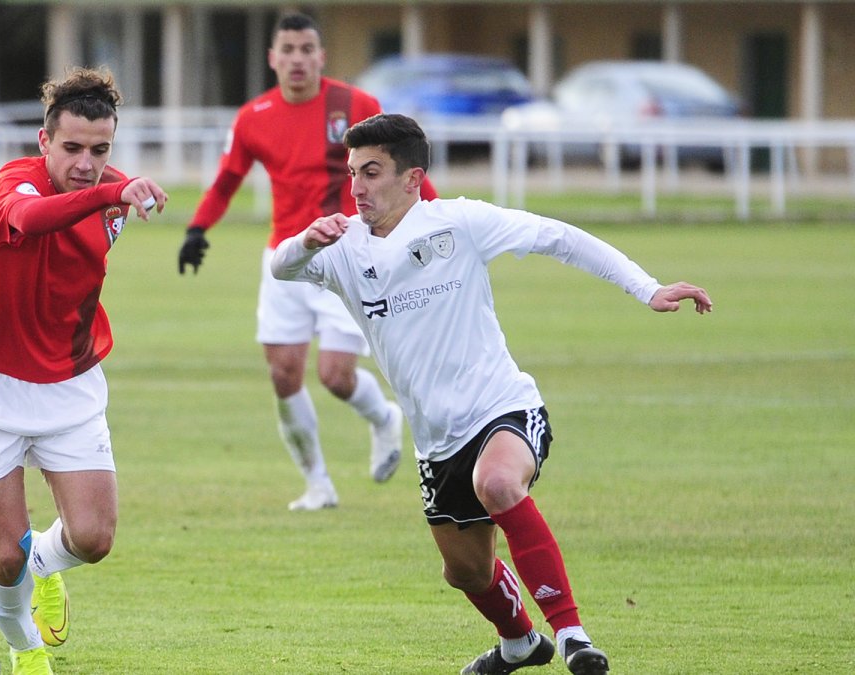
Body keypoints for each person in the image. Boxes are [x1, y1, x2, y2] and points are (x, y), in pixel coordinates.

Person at [271, 113, 712, 674]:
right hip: (435, 441)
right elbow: (282, 267)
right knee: (466, 573)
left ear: (412, 178)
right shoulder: (342, 248)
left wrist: (646, 288)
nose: (356, 187)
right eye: (353, 171)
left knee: (497, 482)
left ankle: (573, 635)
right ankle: (521, 643)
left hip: (502, 405)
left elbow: (559, 236)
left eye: (372, 172)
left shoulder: (459, 222)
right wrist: (306, 241)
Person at [0, 67, 166, 675]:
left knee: (93, 539)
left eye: (100, 151)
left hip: (68, 383)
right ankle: (25, 651)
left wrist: (117, 194)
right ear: (45, 143)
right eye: (72, 148)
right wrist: (111, 193)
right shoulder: (11, 188)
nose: (87, 164)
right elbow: (36, 221)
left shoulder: (116, 194)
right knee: (4, 556)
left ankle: (45, 566)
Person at [177, 12, 439, 511]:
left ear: (321, 56)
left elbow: (407, 173)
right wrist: (197, 229)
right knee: (283, 375)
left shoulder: (355, 106)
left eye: (306, 49)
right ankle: (318, 484)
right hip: (285, 258)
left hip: (346, 254)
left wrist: (434, 225)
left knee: (336, 375)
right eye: (288, 50)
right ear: (273, 59)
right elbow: (227, 179)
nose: (297, 59)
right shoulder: (254, 116)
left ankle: (384, 418)